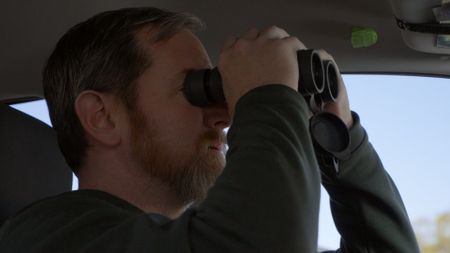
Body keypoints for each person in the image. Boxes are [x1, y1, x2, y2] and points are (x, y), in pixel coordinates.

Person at [0, 7, 420, 253]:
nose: (225, 117)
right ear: (102, 117)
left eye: (223, 94)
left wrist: (340, 140)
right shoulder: (46, 237)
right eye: (199, 92)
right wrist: (267, 97)